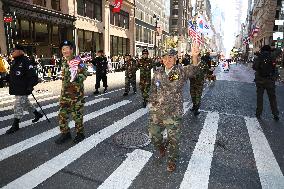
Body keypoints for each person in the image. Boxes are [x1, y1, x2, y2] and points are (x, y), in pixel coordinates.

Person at [148, 44, 200, 172]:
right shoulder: (158, 72)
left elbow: (194, 70)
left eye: (170, 58)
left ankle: (172, 160)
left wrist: (194, 56)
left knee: (174, 139)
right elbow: (153, 89)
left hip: (173, 112)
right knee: (153, 135)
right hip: (158, 111)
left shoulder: (181, 71)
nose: (167, 60)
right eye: (165, 58)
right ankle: (161, 147)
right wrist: (152, 103)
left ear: (175, 58)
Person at [55, 40, 88, 144]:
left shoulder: (78, 61)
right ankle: (65, 133)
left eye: (66, 48)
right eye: (62, 49)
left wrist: (76, 77)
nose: (64, 51)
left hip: (76, 95)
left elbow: (84, 75)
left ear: (72, 49)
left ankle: (80, 133)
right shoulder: (64, 61)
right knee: (62, 114)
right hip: (65, 95)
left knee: (77, 116)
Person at [5, 44, 43, 134]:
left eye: (14, 50)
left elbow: (33, 76)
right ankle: (37, 114)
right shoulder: (15, 61)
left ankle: (15, 125)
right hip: (17, 88)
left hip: (23, 88)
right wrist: (7, 78)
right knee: (26, 104)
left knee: (18, 105)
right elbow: (14, 74)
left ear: (20, 51)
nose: (12, 52)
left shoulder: (26, 61)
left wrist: (30, 86)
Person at [252, 45, 279, 121]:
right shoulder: (272, 55)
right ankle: (275, 114)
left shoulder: (259, 57)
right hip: (270, 80)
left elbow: (254, 67)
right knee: (272, 98)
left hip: (260, 80)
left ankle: (258, 113)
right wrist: (273, 49)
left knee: (259, 97)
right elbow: (279, 50)